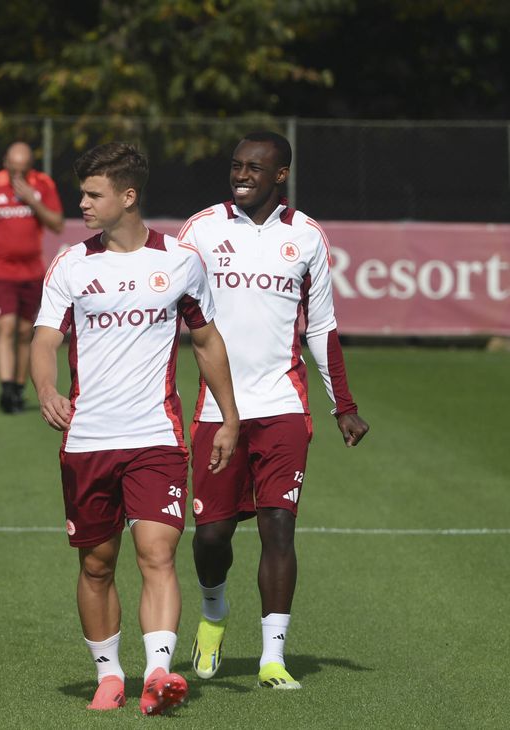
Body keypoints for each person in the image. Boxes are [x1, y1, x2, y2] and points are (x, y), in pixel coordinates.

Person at [30, 142, 239, 715]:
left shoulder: (179, 261)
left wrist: (228, 414)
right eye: (83, 193)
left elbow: (206, 340)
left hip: (157, 438)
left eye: (94, 194)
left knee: (156, 554)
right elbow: (46, 338)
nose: (83, 204)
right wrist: (46, 390)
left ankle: (157, 673)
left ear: (128, 196)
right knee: (96, 563)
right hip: (88, 441)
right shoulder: (72, 264)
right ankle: (108, 675)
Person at [178, 131, 370, 690]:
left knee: (278, 527)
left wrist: (344, 407)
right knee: (211, 536)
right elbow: (171, 310)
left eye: (255, 168)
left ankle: (272, 657)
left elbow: (323, 328)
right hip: (217, 410)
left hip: (284, 406)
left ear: (280, 174)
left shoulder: (307, 236)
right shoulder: (200, 230)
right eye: (236, 165)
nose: (242, 174)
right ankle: (213, 614)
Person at [0, 141, 63, 413]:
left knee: (26, 331)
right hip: (0, 268)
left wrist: (32, 200)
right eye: (13, 169)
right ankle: (5, 389)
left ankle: (18, 387)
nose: (17, 175)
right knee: (6, 325)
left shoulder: (43, 184)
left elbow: (57, 223)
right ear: (5, 163)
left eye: (23, 170)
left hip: (32, 270)